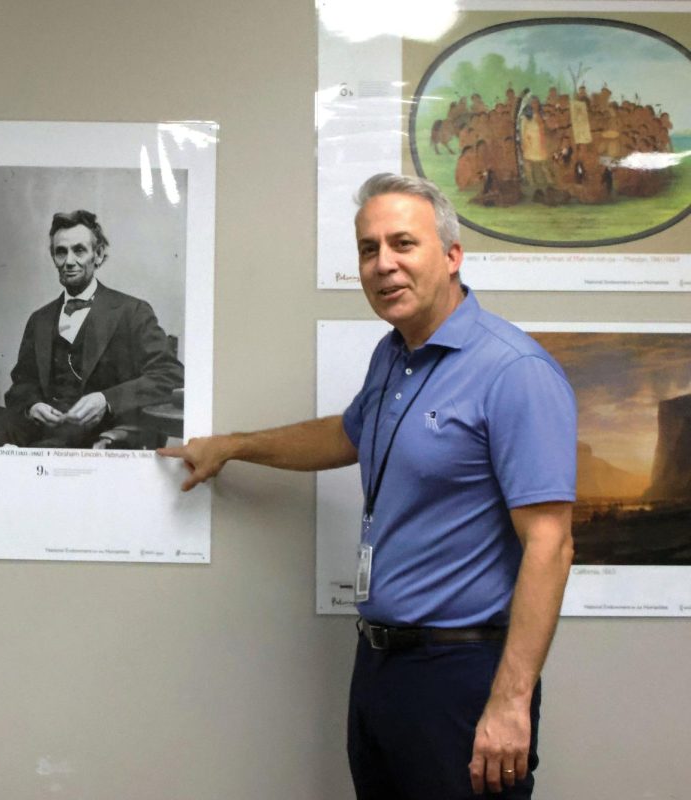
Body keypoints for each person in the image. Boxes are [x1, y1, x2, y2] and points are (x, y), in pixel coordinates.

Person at [160, 173, 576, 799]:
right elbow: (346, 436)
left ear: (453, 255)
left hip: (461, 675)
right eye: (368, 248)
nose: (384, 265)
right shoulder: (394, 354)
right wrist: (232, 447)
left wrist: (511, 703)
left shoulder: (514, 372)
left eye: (403, 244)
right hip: (380, 666)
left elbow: (551, 544)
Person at [0, 209, 184, 449]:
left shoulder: (132, 311)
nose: (69, 261)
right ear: (53, 257)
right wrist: (32, 406)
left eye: (79, 250)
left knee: (50, 452)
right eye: (61, 252)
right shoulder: (40, 319)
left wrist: (106, 400)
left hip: (100, 430)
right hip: (44, 428)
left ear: (98, 255)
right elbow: (22, 384)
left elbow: (170, 374)